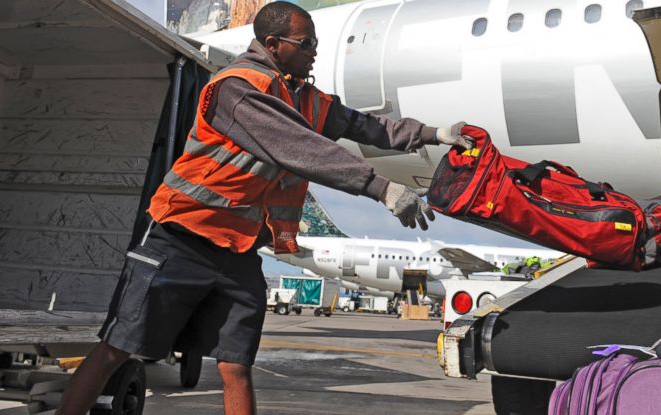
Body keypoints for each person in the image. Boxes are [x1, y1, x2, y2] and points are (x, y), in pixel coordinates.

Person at [55, 3, 470, 414]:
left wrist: (435, 133)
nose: (314, 52)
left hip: (237, 250)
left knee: (237, 364)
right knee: (117, 348)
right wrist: (381, 188)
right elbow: (299, 147)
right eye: (306, 43)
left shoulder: (304, 97)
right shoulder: (237, 89)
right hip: (180, 238)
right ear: (273, 44)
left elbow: (366, 126)